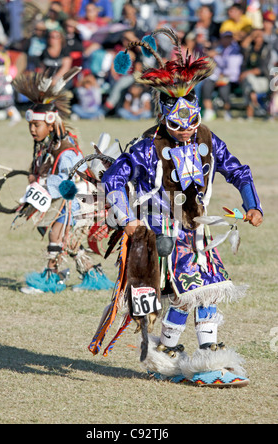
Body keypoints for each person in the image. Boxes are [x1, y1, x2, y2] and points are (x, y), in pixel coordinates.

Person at [88, 29, 263, 387]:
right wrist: (129, 219)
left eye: (192, 123)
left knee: (203, 291)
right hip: (161, 232)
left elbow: (238, 171)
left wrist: (253, 205)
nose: (186, 131)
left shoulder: (208, 139)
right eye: (178, 125)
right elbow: (114, 181)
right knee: (193, 292)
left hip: (198, 230)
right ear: (165, 117)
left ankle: (168, 355)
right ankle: (206, 360)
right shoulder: (145, 147)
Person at [12, 67, 114, 294]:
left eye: (35, 125)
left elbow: (67, 180)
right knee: (70, 243)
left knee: (57, 236)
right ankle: (93, 277)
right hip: (68, 201)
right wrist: (37, 176)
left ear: (50, 123)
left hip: (76, 201)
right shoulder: (52, 143)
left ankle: (51, 279)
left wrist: (43, 182)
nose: (32, 130)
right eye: (30, 124)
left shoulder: (65, 149)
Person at [201, 31, 244, 121]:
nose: (226, 40)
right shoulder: (220, 49)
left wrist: (216, 56)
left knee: (223, 87)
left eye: (229, 38)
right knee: (207, 84)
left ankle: (226, 111)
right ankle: (209, 111)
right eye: (225, 38)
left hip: (231, 78)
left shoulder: (234, 51)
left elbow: (232, 69)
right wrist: (212, 56)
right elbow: (217, 66)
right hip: (218, 77)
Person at [240, 28, 272, 119]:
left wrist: (246, 73)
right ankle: (254, 105)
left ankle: (251, 113)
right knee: (248, 86)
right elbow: (243, 46)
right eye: (256, 37)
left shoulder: (266, 49)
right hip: (251, 81)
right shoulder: (251, 49)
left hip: (263, 80)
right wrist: (251, 35)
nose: (257, 38)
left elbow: (262, 69)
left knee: (248, 81)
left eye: (259, 36)